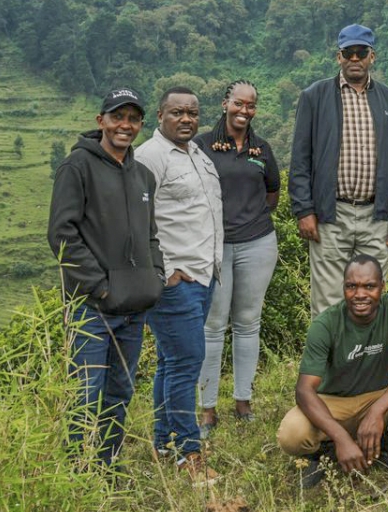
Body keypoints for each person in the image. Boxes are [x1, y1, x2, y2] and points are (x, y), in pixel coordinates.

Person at [48, 88, 164, 471]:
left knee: (119, 392)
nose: (125, 125)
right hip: (91, 309)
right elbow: (61, 234)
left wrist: (156, 276)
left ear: (141, 125)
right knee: (85, 393)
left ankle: (107, 466)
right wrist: (100, 286)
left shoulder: (143, 175)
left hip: (133, 309)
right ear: (101, 121)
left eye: (133, 118)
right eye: (117, 117)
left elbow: (150, 236)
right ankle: (78, 473)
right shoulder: (77, 167)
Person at [276, 255, 388, 489]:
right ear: (344, 288)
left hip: (378, 395)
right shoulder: (325, 324)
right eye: (352, 286)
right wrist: (340, 436)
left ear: (382, 287)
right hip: (334, 403)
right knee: (291, 433)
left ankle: (387, 455)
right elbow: (304, 390)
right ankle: (325, 458)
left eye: (369, 286)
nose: (360, 294)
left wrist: (376, 412)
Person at [134, 86, 223, 484]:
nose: (186, 119)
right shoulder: (150, 157)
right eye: (177, 113)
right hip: (176, 281)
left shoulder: (196, 153)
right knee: (187, 365)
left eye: (192, 112)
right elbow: (136, 218)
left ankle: (162, 443)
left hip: (203, 275)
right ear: (160, 116)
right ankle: (189, 454)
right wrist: (164, 270)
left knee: (172, 364)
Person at [290, 24, 388, 317]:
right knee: (328, 301)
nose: (355, 59)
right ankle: (328, 363)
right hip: (331, 215)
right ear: (338, 56)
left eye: (361, 52)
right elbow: (301, 157)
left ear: (372, 57)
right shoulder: (314, 96)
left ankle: (367, 361)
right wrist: (304, 210)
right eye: (348, 53)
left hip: (374, 216)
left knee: (371, 299)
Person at [195, 80, 280, 433]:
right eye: (238, 104)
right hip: (213, 247)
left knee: (248, 323)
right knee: (213, 326)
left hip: (257, 243)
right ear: (225, 103)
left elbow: (273, 192)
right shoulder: (201, 146)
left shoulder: (261, 149)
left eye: (251, 105)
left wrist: (251, 216)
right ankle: (208, 407)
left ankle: (243, 401)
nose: (244, 111)